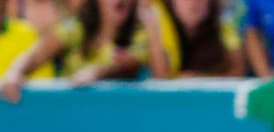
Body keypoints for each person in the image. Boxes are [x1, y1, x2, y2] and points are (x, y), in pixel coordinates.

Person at [1, 0, 170, 103]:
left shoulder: (140, 34)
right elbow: (37, 54)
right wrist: (14, 72)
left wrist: (96, 73)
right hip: (75, 125)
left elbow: (137, 69)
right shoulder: (76, 28)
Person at [158, 0, 244, 76]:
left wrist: (196, 78)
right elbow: (161, 76)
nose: (194, 2)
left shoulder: (223, 25)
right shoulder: (160, 24)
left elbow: (237, 70)